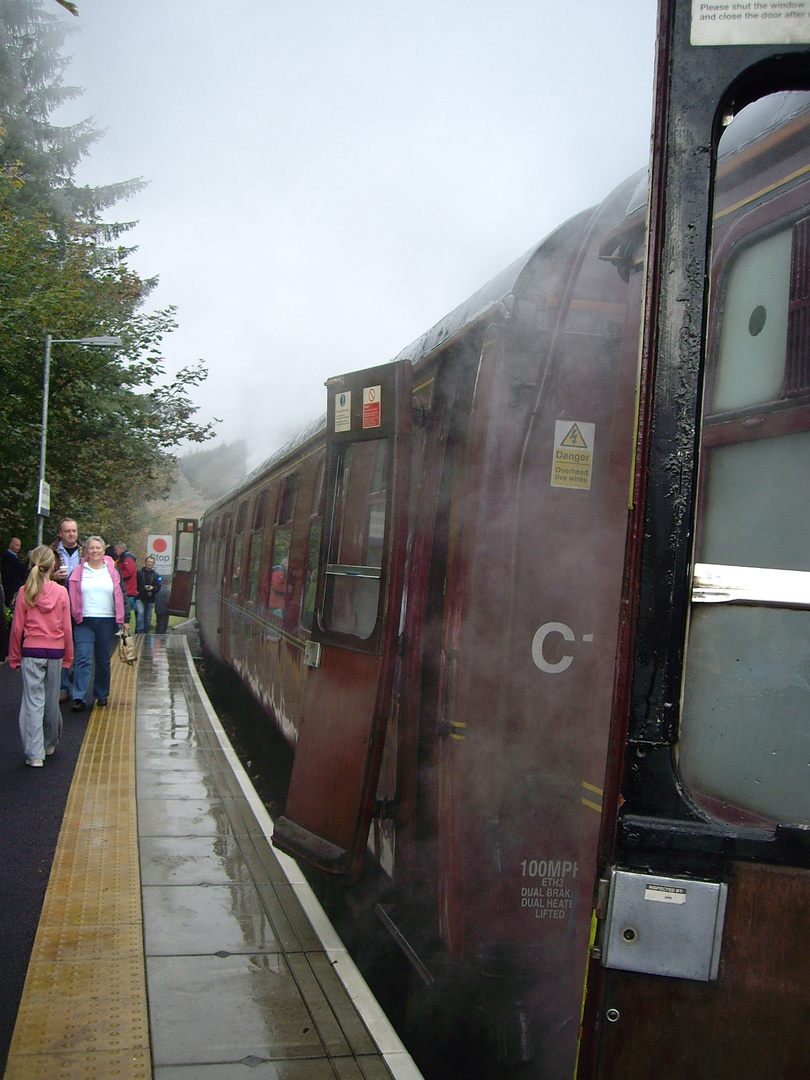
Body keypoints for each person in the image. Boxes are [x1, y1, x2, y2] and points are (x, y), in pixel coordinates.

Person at [8, 546, 74, 766]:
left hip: (31, 652)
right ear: (53, 565)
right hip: (55, 652)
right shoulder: (61, 592)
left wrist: (14, 656)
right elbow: (67, 627)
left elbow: (17, 628)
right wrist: (68, 657)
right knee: (51, 700)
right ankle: (50, 742)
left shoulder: (25, 591)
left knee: (32, 702)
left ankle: (35, 754)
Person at [68, 536, 125, 711]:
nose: (94, 551)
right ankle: (79, 696)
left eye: (98, 548)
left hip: (106, 620)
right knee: (83, 658)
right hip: (83, 620)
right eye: (91, 548)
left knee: (102, 660)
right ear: (86, 551)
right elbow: (69, 595)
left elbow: (121, 593)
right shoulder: (78, 571)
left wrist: (125, 620)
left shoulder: (112, 571)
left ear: (103, 550)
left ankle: (101, 694)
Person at [51, 517, 82, 700]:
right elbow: (37, 576)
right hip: (58, 606)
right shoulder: (51, 552)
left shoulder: (85, 552)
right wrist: (53, 576)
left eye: (74, 531)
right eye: (68, 531)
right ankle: (63, 687)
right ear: (60, 534)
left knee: (81, 646)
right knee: (62, 647)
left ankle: (74, 675)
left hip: (80, 605)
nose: (72, 534)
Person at [135, 555, 161, 633]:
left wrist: (153, 588)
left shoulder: (156, 575)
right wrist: (135, 591)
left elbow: (158, 587)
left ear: (153, 564)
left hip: (150, 599)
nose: (150, 564)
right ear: (146, 562)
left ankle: (146, 633)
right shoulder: (139, 573)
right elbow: (134, 582)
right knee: (140, 613)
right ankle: (139, 631)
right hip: (139, 597)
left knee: (148, 618)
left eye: (151, 562)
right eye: (148, 562)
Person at [114, 543, 138, 625]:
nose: (115, 551)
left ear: (121, 549)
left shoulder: (127, 558)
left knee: (129, 608)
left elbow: (128, 572)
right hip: (126, 588)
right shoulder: (121, 558)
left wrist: (116, 575)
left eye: (116, 549)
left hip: (128, 589)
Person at [2, 537, 29, 605]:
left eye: (19, 545)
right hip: (11, 585)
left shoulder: (13, 557)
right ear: (11, 545)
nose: (18, 547)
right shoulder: (8, 557)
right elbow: (20, 569)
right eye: (17, 545)